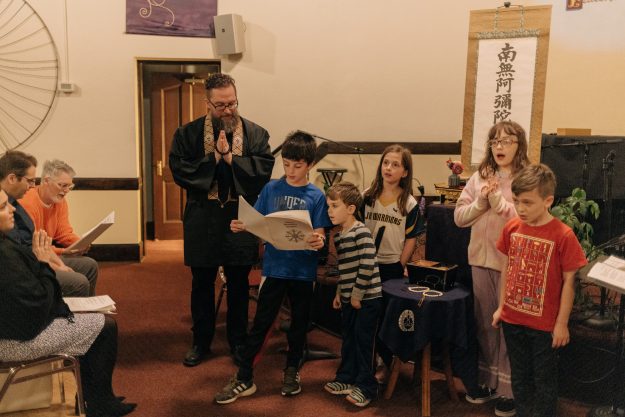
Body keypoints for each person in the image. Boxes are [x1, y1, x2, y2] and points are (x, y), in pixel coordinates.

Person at [214, 130, 331, 404]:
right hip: (275, 268)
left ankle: (292, 370)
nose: (290, 170)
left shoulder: (316, 195)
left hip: (303, 271)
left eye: (297, 165)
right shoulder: (271, 189)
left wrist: (318, 240)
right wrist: (243, 225)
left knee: (299, 324)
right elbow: (257, 221)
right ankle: (244, 377)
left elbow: (321, 233)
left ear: (310, 165)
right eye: (287, 164)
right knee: (262, 323)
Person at [169, 73, 275, 367]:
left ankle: (238, 342)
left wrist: (230, 159)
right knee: (201, 283)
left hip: (239, 219)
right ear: (207, 103)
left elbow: (263, 171)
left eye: (232, 103)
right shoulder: (187, 134)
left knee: (239, 283)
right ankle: (200, 342)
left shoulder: (256, 134)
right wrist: (214, 158)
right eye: (221, 105)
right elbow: (179, 170)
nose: (228, 110)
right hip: (202, 218)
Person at [0, 189, 136, 417]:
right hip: (13, 340)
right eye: (4, 206)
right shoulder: (4, 255)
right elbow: (32, 307)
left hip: (13, 329)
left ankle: (93, 397)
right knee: (105, 327)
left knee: (95, 320)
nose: (13, 208)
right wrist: (43, 264)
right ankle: (99, 404)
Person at [492, 163, 587, 417]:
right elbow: (507, 269)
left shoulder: (563, 235)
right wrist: (501, 307)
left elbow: (570, 282)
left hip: (544, 326)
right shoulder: (512, 228)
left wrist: (562, 323)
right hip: (513, 320)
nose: (520, 209)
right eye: (516, 202)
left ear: (548, 201)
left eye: (527, 203)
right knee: (520, 378)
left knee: (544, 381)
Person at [454, 120, 531, 416]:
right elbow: (460, 217)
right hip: (480, 259)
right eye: (495, 142)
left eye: (507, 141)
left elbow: (526, 217)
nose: (499, 147)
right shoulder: (480, 176)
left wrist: (498, 202)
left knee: (509, 325)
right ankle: (488, 382)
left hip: (512, 264)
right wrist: (482, 202)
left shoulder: (526, 177)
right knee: (485, 323)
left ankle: (509, 390)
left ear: (519, 145)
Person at [361, 144, 424, 381]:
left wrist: (401, 263)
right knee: (366, 315)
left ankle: (384, 362)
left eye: (395, 164)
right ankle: (364, 359)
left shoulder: (408, 203)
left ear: (405, 172)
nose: (388, 168)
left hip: (391, 266)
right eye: (386, 162)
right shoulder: (367, 196)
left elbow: (411, 238)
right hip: (367, 262)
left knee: (386, 316)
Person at [324, 182, 382, 408]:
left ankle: (367, 386)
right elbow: (345, 268)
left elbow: (367, 265)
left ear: (350, 209)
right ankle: (346, 378)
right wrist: (340, 292)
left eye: (334, 206)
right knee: (348, 339)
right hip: (350, 297)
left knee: (364, 342)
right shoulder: (339, 236)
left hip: (367, 299)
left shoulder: (361, 231)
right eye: (328, 206)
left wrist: (356, 295)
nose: (329, 211)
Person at [17, 158, 99, 297]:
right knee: (80, 282)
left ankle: (89, 310)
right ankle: (71, 316)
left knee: (90, 265)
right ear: (46, 181)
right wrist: (63, 252)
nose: (66, 191)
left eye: (69, 186)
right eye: (63, 185)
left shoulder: (60, 201)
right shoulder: (28, 203)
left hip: (50, 253)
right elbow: (34, 247)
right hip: (34, 259)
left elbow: (64, 232)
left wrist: (79, 243)